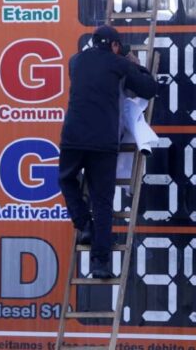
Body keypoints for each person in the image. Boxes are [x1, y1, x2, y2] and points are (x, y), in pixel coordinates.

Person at [58, 25, 158, 278]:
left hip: (73, 137)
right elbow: (149, 89)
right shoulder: (119, 64)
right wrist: (134, 64)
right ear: (114, 46)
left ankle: (83, 224)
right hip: (103, 142)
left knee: (66, 179)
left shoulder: (75, 62)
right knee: (102, 202)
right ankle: (100, 264)